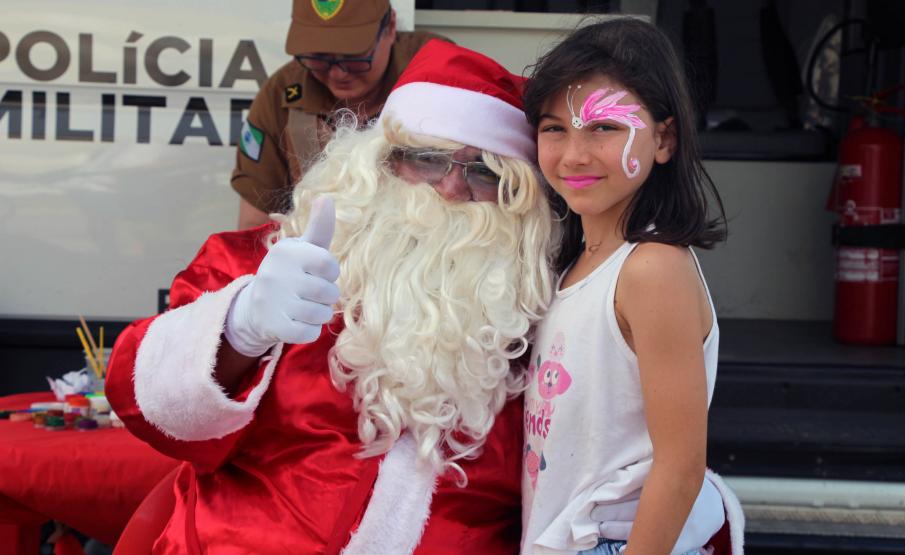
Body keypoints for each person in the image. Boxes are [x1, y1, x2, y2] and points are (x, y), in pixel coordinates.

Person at [106, 40, 557, 554]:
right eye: (428, 160)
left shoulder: (535, 313)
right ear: (378, 163)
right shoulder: (271, 260)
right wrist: (240, 326)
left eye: (486, 173)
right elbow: (143, 403)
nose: (452, 189)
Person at [519, 18, 745, 555]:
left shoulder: (651, 269)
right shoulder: (571, 262)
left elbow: (681, 464)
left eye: (604, 128)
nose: (574, 154)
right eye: (554, 128)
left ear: (663, 139)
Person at [233, 0, 444, 229]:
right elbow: (254, 224)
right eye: (319, 58)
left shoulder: (438, 75)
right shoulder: (282, 95)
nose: (338, 73)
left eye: (354, 57)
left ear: (390, 28)